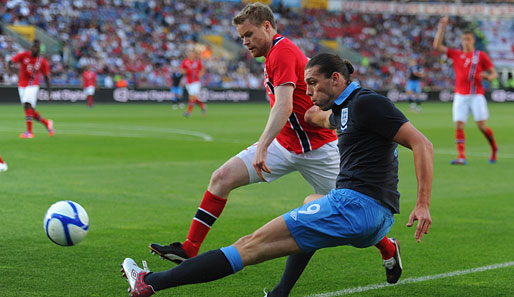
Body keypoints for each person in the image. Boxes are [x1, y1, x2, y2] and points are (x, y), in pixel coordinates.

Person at [121, 53, 433, 297]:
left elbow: (422, 144)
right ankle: (285, 290)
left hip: (353, 207)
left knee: (249, 245)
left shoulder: (367, 103)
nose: (307, 90)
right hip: (377, 218)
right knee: (311, 201)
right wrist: (315, 115)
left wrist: (422, 203)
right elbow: (328, 119)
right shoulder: (346, 109)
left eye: (312, 83)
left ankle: (149, 283)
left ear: (335, 78)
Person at [148, 4, 347, 290]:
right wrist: (270, 144)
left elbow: (284, 104)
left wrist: (263, 146)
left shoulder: (282, 51)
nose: (245, 42)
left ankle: (388, 248)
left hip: (319, 151)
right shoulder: (272, 54)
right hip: (286, 143)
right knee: (221, 178)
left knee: (351, 210)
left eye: (249, 34)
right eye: (241, 37)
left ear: (268, 26)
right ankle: (190, 248)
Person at [433, 16, 498, 165]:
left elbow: (494, 73)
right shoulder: (456, 54)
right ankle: (461, 156)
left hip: (476, 95)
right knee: (459, 124)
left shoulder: (481, 56)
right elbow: (437, 46)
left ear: (473, 40)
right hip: (460, 95)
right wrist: (441, 27)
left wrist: (488, 77)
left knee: (482, 126)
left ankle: (494, 149)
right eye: (464, 39)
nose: (466, 42)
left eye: (468, 39)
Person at [9, 39, 54, 138]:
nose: (35, 50)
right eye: (34, 47)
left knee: (27, 104)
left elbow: (46, 77)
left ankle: (29, 132)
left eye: (37, 48)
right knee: (29, 109)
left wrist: (49, 92)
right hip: (21, 85)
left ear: (39, 50)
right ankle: (47, 123)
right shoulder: (24, 55)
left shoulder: (41, 61)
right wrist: (11, 72)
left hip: (32, 85)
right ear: (31, 47)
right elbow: (11, 61)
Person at [181, 50, 206, 117]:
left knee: (192, 97)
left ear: (195, 55)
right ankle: (202, 106)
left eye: (192, 54)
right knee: (193, 98)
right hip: (188, 82)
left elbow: (203, 69)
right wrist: (185, 71)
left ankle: (188, 112)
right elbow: (182, 70)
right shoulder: (185, 62)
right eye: (189, 54)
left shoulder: (197, 62)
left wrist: (200, 74)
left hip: (196, 82)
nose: (190, 55)